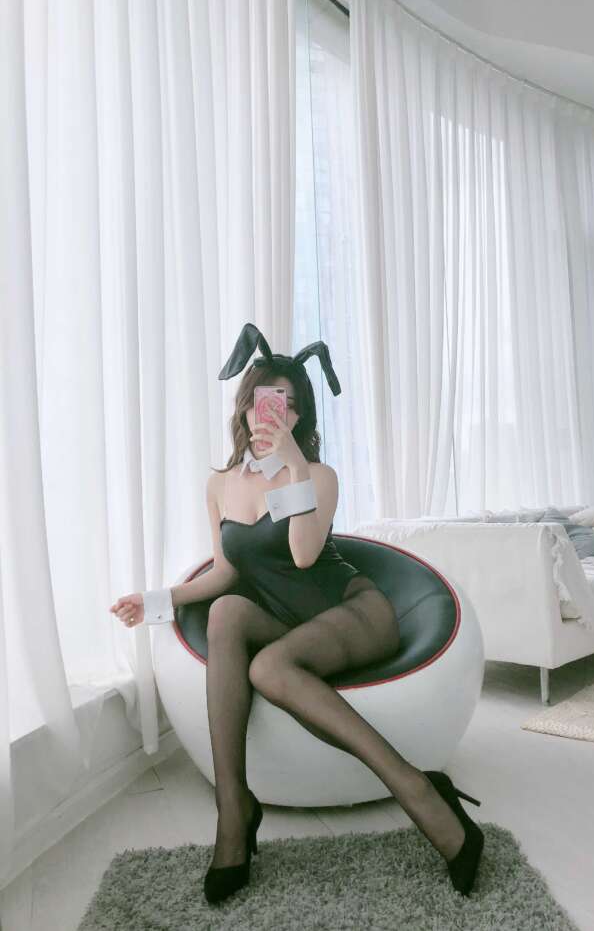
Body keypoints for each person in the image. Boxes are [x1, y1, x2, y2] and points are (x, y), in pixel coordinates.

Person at [109, 323, 484, 905]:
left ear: (299, 415)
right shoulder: (219, 485)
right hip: (291, 626)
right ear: (246, 405)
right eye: (266, 400)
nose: (274, 413)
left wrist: (294, 467)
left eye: (287, 404)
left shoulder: (319, 477)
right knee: (226, 613)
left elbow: (304, 555)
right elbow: (225, 573)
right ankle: (234, 809)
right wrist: (155, 601)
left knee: (268, 668)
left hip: (355, 613)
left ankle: (416, 789)